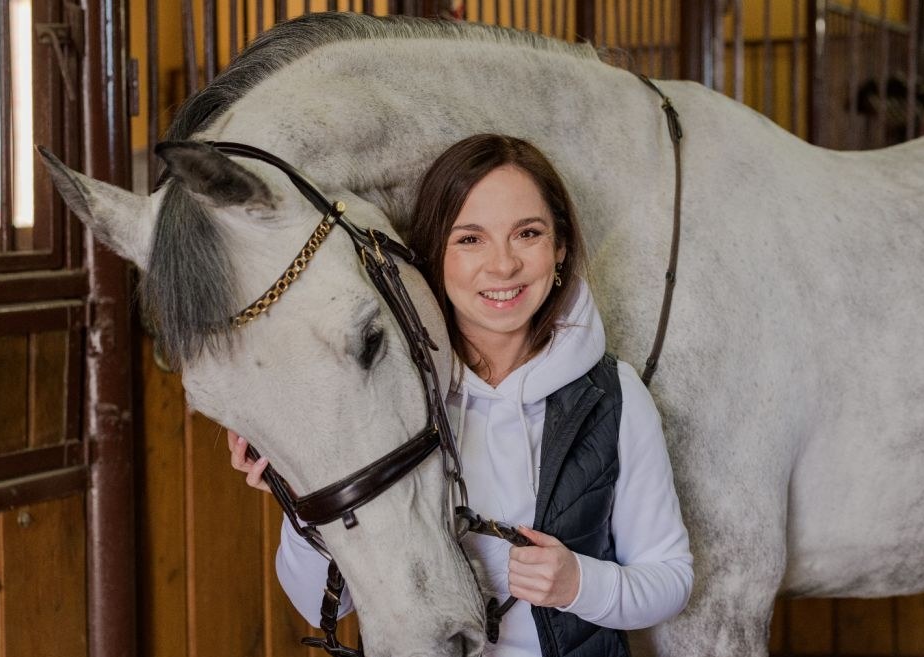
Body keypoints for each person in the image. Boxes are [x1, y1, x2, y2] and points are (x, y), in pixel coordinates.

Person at [228, 134, 692, 657]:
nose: (502, 265)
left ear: (559, 249)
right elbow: (322, 604)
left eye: (528, 233)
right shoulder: (386, 396)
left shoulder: (613, 395)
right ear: (433, 254)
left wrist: (581, 583)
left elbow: (671, 579)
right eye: (470, 239)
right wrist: (305, 497)